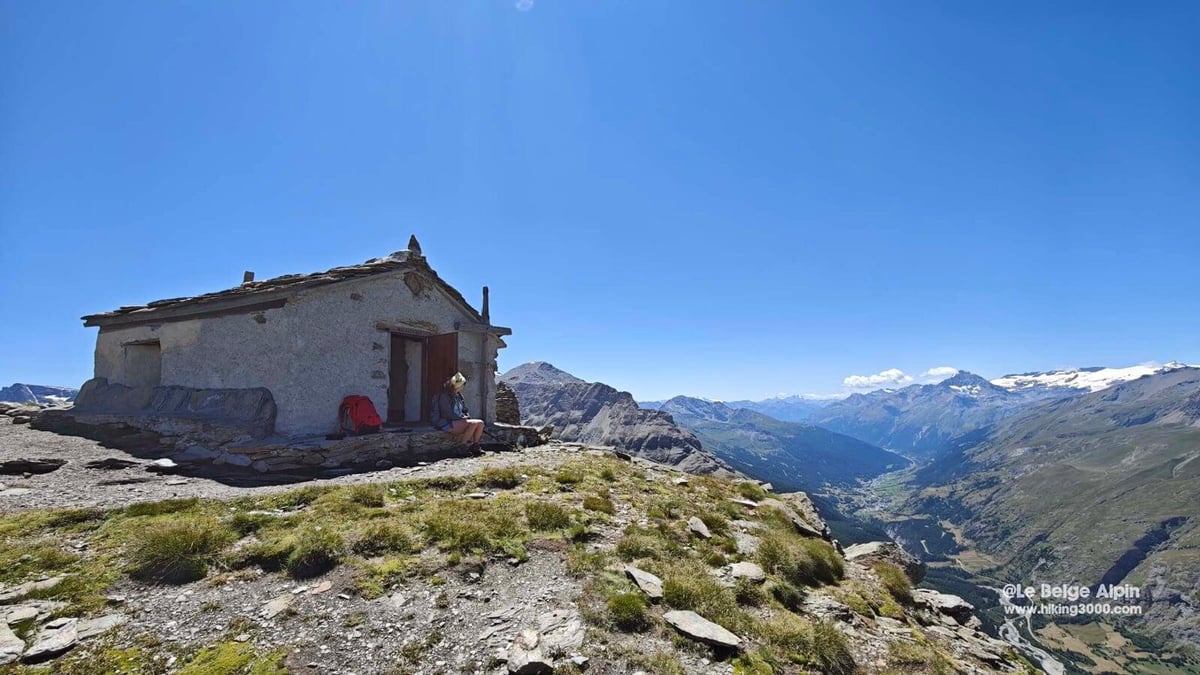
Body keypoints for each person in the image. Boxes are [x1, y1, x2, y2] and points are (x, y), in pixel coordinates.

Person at [432, 372, 485, 454]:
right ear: (458, 385)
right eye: (462, 385)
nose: (463, 387)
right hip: (446, 422)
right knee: (473, 424)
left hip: (458, 421)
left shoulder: (459, 396)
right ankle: (462, 447)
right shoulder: (444, 396)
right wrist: (461, 418)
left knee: (480, 423)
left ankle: (475, 446)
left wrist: (466, 416)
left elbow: (464, 410)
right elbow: (446, 413)